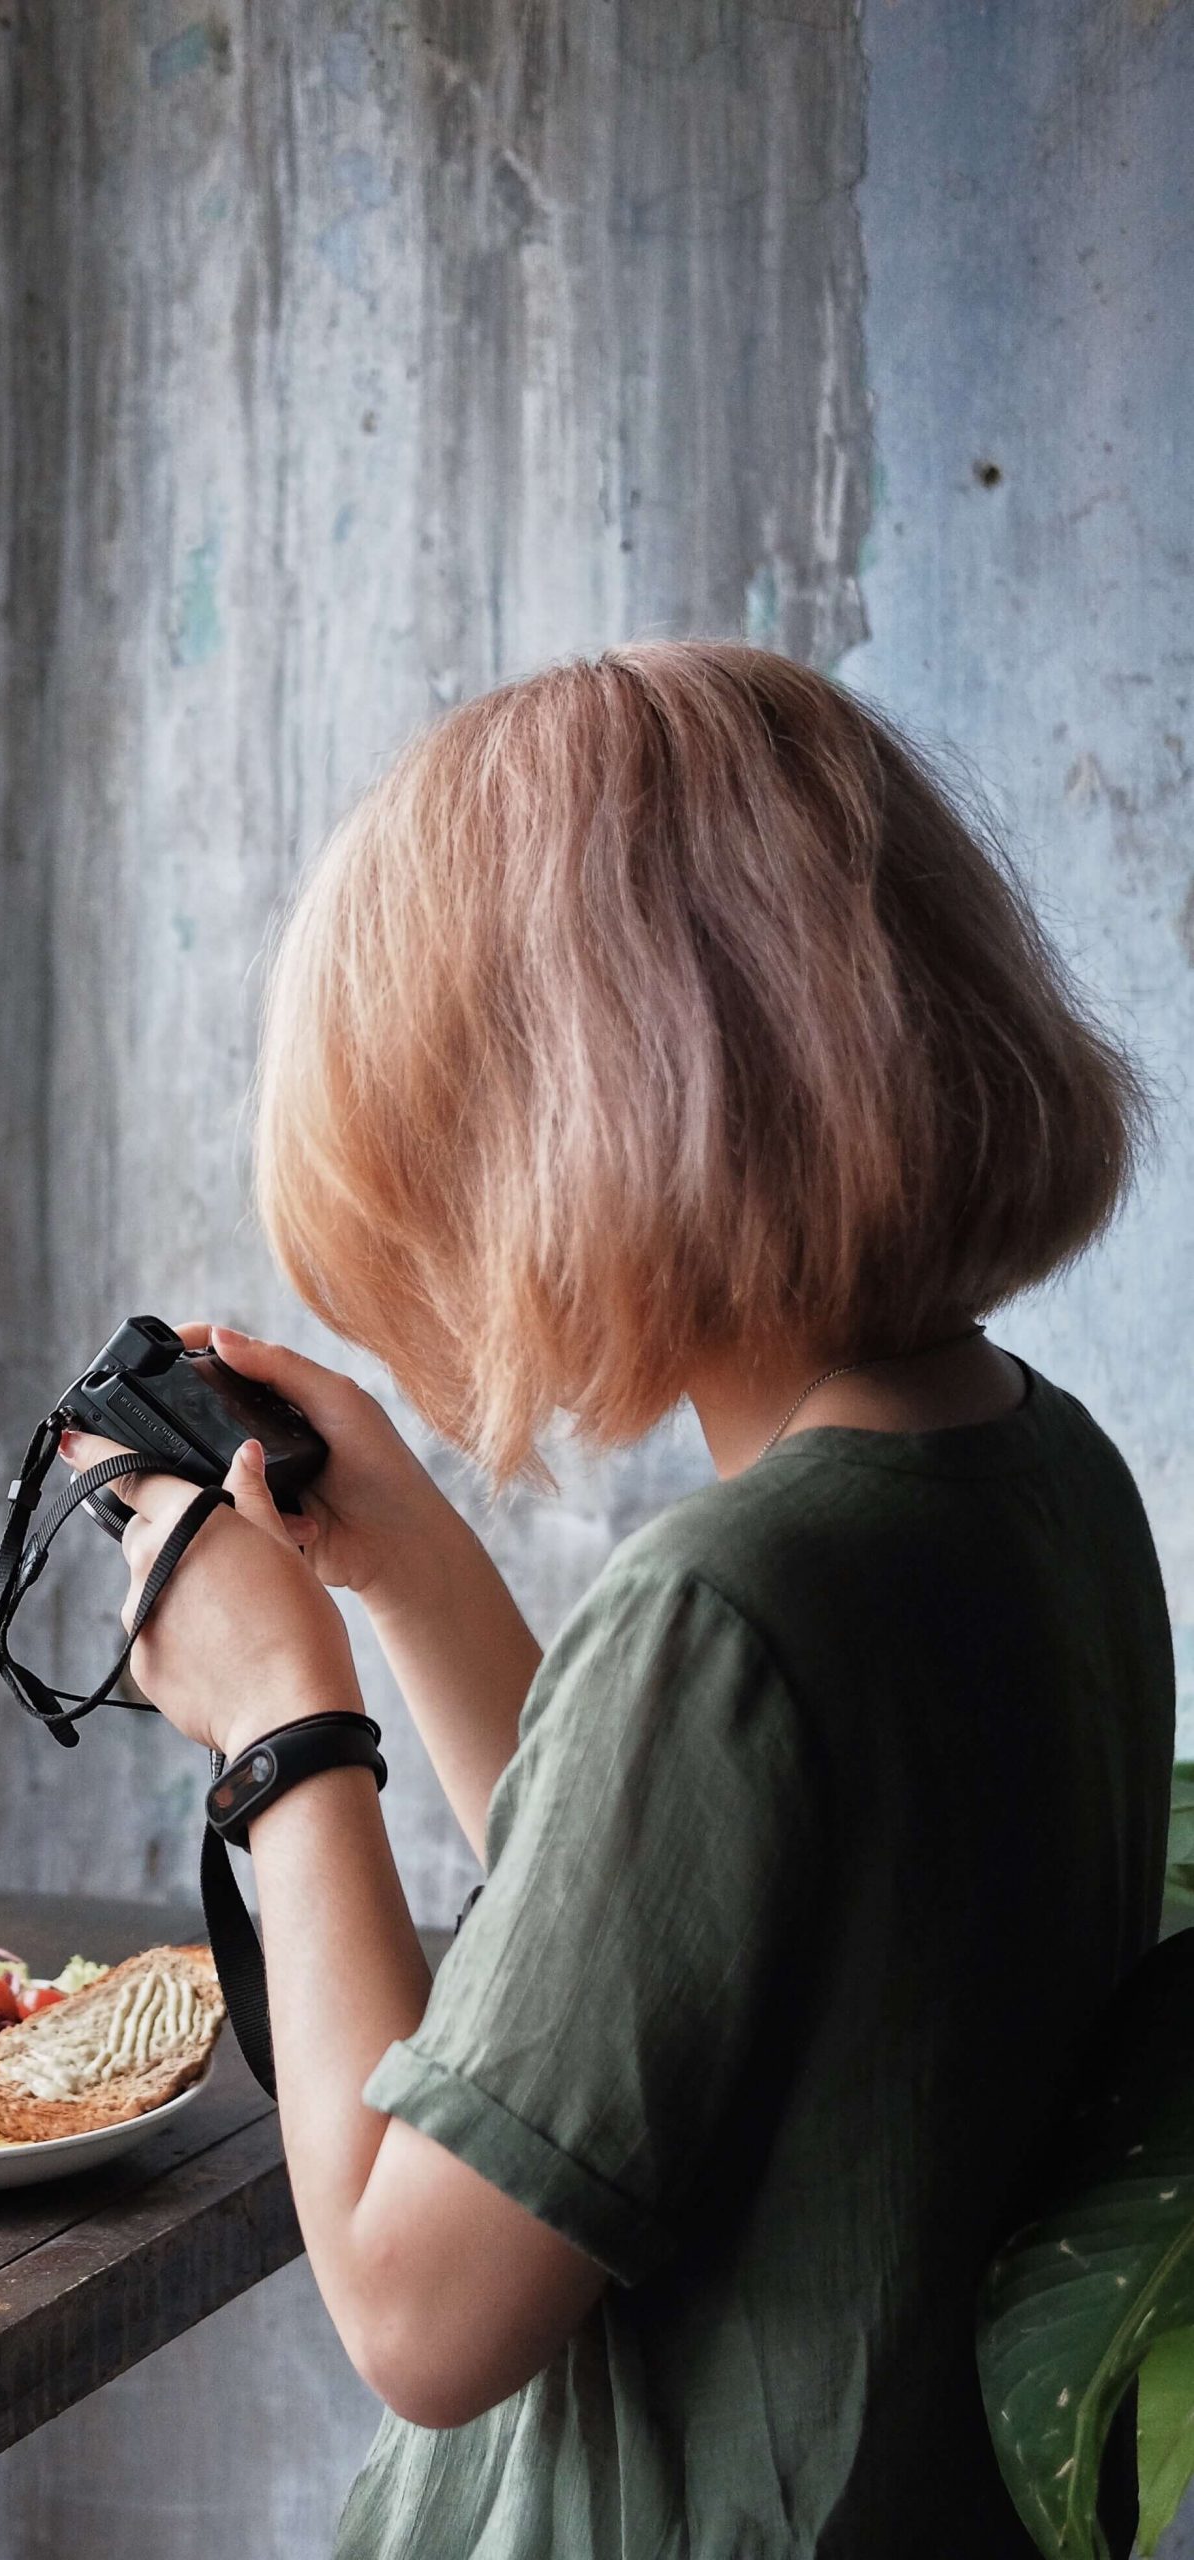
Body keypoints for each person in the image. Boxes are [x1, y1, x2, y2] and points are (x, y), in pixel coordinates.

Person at [61, 642, 1170, 2557]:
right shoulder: (1033, 1473)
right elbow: (659, 1950)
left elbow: (416, 2313)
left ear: (572, 1140)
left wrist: (284, 1744)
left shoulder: (729, 1602)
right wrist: (405, 1564)